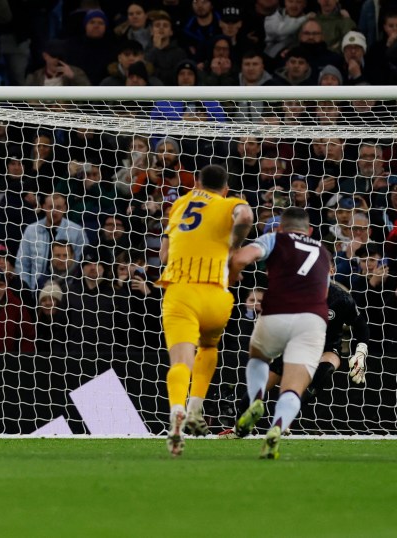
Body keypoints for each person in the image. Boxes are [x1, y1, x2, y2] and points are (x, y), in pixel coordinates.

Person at [158, 164, 252, 458]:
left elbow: (163, 254)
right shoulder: (230, 203)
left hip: (181, 292)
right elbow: (246, 216)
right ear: (225, 188)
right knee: (209, 346)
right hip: (216, 295)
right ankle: (196, 405)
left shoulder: (179, 204)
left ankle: (177, 413)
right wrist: (233, 246)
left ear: (197, 183)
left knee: (180, 362)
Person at [229, 207, 332, 459]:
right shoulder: (323, 252)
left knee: (258, 356)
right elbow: (325, 293)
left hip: (277, 311)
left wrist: (232, 273)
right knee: (293, 388)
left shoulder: (275, 238)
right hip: (313, 319)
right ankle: (277, 428)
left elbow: (241, 258)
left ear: (281, 227)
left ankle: (256, 398)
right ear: (309, 230)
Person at [221, 276, 370, 438]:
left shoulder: (341, 298)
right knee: (258, 390)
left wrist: (360, 352)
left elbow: (360, 325)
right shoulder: (295, 293)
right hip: (296, 347)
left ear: (332, 270)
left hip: (327, 348)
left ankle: (285, 417)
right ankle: (238, 428)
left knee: (324, 372)